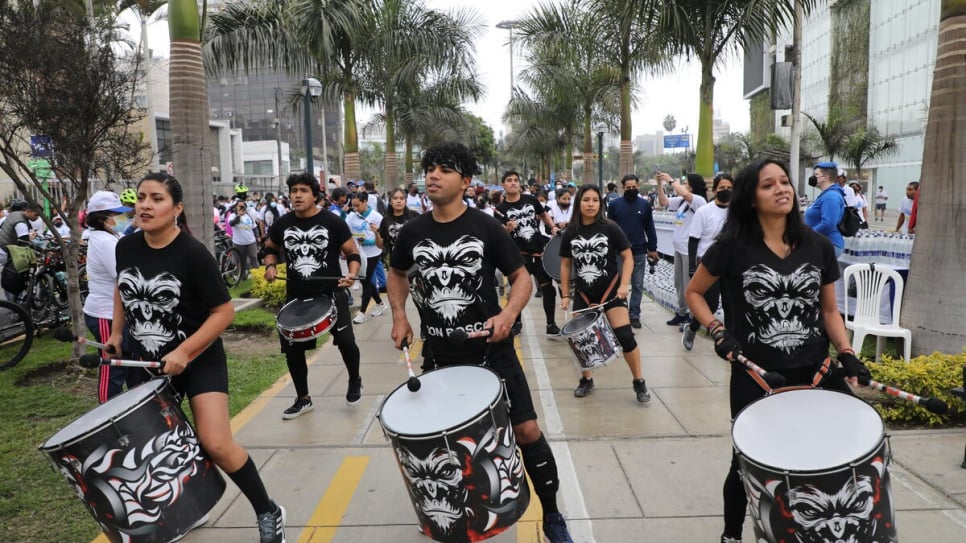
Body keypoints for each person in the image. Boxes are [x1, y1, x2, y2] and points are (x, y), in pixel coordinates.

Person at [387, 142, 574, 543]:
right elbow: (397, 272)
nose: (433, 175)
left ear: (466, 182)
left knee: (525, 431)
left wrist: (508, 314)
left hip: (493, 353)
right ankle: (458, 520)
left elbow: (522, 277)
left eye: (444, 170)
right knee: (446, 447)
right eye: (430, 168)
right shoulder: (412, 231)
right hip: (440, 357)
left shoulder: (486, 227)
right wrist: (400, 315)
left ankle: (553, 516)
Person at [683, 159, 870, 543]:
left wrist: (847, 352)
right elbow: (694, 292)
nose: (781, 189)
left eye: (785, 182)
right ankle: (731, 535)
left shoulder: (817, 246)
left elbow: (830, 311)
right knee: (747, 464)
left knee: (852, 450)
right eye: (768, 185)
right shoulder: (730, 247)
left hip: (816, 371)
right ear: (751, 198)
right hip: (756, 375)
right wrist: (718, 330)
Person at [107, 173, 286, 543]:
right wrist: (117, 334)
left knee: (215, 442)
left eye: (156, 198)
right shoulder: (126, 247)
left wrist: (185, 351)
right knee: (159, 447)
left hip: (200, 359)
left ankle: (268, 510)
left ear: (177, 208)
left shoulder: (193, 253)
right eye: (141, 197)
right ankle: (187, 509)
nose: (145, 205)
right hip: (149, 364)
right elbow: (122, 289)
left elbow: (224, 312)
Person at [262, 173, 364, 418]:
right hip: (296, 297)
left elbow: (352, 253)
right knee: (293, 350)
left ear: (315, 195)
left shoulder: (333, 222)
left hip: (330, 294)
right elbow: (269, 248)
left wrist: (351, 274)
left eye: (303, 191)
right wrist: (270, 266)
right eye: (293, 190)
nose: (297, 195)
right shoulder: (283, 223)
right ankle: (303, 398)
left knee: (346, 343)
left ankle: (354, 379)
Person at [559, 184, 651, 402]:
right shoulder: (571, 231)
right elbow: (565, 265)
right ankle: (587, 379)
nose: (590, 204)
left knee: (626, 337)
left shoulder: (611, 228)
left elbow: (628, 257)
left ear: (600, 204)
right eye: (586, 200)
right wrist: (565, 294)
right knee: (582, 340)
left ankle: (639, 381)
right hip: (584, 295)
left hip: (611, 293)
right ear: (578, 202)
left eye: (595, 200)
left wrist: (624, 284)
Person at [83, 191, 147, 403]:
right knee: (113, 367)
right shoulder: (104, 242)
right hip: (105, 314)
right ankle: (105, 414)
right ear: (102, 218)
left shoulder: (111, 236)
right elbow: (125, 277)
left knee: (130, 364)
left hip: (117, 313)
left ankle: (132, 409)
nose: (122, 218)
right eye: (116, 214)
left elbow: (125, 239)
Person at [496, 170, 561, 336]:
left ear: (519, 184)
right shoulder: (500, 209)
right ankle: (516, 323)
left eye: (516, 180)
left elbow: (543, 214)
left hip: (539, 252)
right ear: (503, 185)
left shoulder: (531, 200)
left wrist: (552, 226)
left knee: (548, 289)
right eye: (509, 180)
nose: (513, 183)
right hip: (519, 256)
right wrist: (506, 229)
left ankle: (551, 324)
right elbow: (498, 235)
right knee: (517, 291)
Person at [681, 173, 733, 351]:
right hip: (709, 263)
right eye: (722, 188)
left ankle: (732, 340)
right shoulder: (704, 211)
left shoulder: (737, 212)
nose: (725, 191)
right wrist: (691, 267)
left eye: (729, 188)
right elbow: (693, 240)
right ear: (714, 190)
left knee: (731, 303)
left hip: (731, 264)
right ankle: (693, 328)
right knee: (709, 304)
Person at [606, 174, 659, 329]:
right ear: (623, 188)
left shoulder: (644, 205)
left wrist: (653, 248)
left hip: (639, 252)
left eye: (634, 187)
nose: (631, 190)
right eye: (628, 187)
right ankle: (619, 313)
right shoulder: (615, 205)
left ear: (638, 186)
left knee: (637, 284)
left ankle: (634, 314)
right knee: (618, 284)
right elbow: (609, 227)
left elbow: (650, 227)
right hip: (618, 252)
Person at [656, 171, 708, 326]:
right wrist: (660, 184)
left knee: (689, 284)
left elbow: (684, 193)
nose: (684, 185)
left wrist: (670, 180)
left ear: (693, 185)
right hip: (678, 248)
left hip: (689, 251)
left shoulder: (698, 201)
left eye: (687, 182)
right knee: (679, 282)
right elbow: (664, 201)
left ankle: (693, 316)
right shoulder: (682, 202)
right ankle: (681, 312)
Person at [346, 192, 387, 323]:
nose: (355, 208)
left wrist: (370, 241)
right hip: (357, 253)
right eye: (353, 206)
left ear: (365, 202)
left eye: (358, 205)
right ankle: (380, 304)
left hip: (372, 253)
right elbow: (345, 230)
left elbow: (383, 236)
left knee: (366, 279)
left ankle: (362, 313)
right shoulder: (352, 216)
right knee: (365, 281)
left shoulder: (376, 217)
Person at [803, 161, 846, 257]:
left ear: (825, 178)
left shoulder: (831, 197)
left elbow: (828, 224)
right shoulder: (826, 195)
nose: (813, 177)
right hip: (819, 243)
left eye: (816, 174)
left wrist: (807, 235)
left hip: (827, 244)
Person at [379, 188, 418, 261]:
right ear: (390, 202)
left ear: (405, 201)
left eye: (402, 198)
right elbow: (381, 245)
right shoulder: (385, 220)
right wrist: (376, 233)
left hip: (415, 261)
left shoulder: (415, 216)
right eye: (395, 198)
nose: (398, 201)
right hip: (396, 262)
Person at [228, 199, 259, 281]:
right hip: (239, 243)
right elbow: (231, 223)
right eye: (240, 206)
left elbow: (254, 227)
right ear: (236, 207)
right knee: (241, 260)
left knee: (253, 257)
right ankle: (242, 277)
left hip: (251, 241)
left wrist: (257, 237)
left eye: (243, 206)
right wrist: (238, 215)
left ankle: (257, 275)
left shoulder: (248, 215)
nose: (242, 207)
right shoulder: (232, 216)